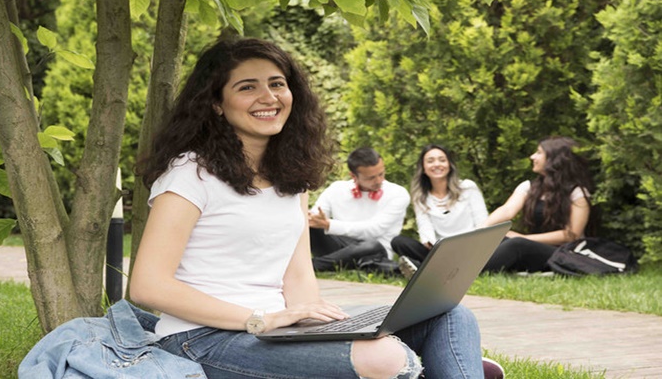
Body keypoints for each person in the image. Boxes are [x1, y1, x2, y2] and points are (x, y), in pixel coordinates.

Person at [129, 37, 496, 378]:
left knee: (451, 316)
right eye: (247, 87)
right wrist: (259, 319)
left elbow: (298, 278)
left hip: (279, 330)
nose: (268, 97)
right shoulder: (189, 173)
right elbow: (148, 286)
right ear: (215, 104)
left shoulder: (291, 177)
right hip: (202, 339)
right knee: (386, 358)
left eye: (276, 84)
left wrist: (323, 325)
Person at [481, 136, 593, 273]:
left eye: (539, 153)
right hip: (532, 248)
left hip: (563, 253)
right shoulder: (529, 187)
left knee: (517, 244)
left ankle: (471, 273)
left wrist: (524, 238)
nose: (532, 156)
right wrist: (483, 230)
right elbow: (507, 210)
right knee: (500, 238)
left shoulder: (577, 192)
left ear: (554, 159)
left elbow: (572, 234)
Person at [392, 144, 489, 279]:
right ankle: (435, 269)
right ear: (423, 168)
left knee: (513, 244)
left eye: (442, 160)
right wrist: (430, 244)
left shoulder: (467, 187)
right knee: (398, 241)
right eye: (430, 161)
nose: (437, 164)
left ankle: (425, 271)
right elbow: (426, 230)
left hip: (471, 251)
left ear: (449, 165)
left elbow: (483, 223)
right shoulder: (421, 197)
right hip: (442, 254)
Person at [308, 147, 410, 272]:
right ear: (353, 176)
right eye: (371, 178)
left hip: (374, 250)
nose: (379, 181)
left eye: (381, 174)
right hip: (339, 248)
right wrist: (314, 219)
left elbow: (373, 230)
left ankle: (313, 266)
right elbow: (315, 218)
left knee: (371, 245)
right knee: (308, 225)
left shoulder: (398, 193)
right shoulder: (336, 189)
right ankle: (358, 265)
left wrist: (329, 224)